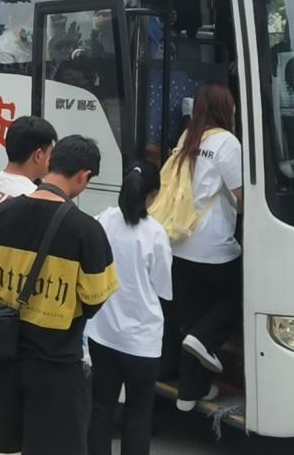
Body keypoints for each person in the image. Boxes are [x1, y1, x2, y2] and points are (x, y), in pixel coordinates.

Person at [0, 135, 118, 455]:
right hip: (57, 370)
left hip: (6, 364)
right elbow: (95, 299)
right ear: (83, 176)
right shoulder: (87, 230)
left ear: (50, 163)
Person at [0, 116, 58, 455]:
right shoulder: (32, 197)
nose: (51, 161)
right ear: (38, 154)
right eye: (50, 153)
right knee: (9, 408)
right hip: (13, 319)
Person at [86, 162, 172, 455]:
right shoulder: (155, 233)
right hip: (141, 341)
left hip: (102, 333)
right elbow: (163, 287)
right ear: (153, 195)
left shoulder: (104, 220)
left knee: (101, 408)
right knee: (138, 413)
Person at [168, 83, 243, 411]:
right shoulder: (227, 142)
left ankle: (190, 391)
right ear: (225, 109)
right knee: (237, 297)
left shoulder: (188, 138)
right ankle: (205, 340)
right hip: (213, 246)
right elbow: (242, 197)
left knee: (194, 319)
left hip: (181, 243)